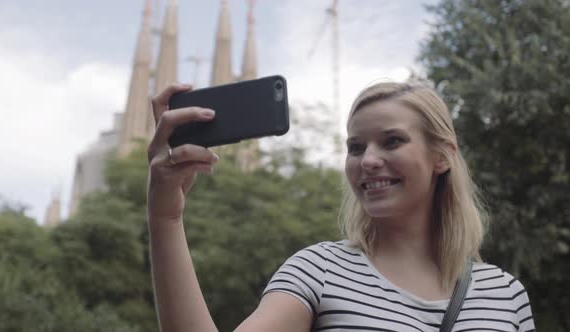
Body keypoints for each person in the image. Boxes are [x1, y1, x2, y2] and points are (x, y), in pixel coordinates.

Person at [146, 82, 536, 331]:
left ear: (442, 157)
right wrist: (166, 217)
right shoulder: (318, 271)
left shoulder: (506, 294)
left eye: (392, 141)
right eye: (356, 147)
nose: (368, 160)